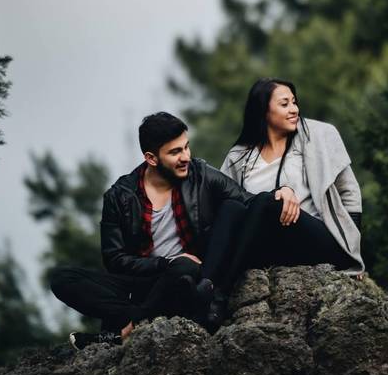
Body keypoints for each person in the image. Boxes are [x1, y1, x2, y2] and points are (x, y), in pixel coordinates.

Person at [49, 111, 251, 348]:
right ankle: (143, 317)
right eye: (175, 152)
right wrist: (163, 264)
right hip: (145, 283)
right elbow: (114, 259)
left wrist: (283, 193)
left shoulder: (201, 175)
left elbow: (246, 202)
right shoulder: (120, 196)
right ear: (151, 158)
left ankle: (124, 331)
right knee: (63, 279)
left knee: (184, 269)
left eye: (186, 147)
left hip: (187, 278)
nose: (186, 157)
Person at [195, 77, 365, 328]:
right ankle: (204, 288)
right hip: (269, 244)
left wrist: (351, 244)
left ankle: (222, 292)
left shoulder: (319, 135)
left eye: (294, 102)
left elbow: (349, 192)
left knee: (269, 202)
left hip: (318, 237)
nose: (294, 109)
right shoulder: (240, 156)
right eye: (285, 104)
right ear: (264, 110)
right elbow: (227, 209)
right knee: (231, 207)